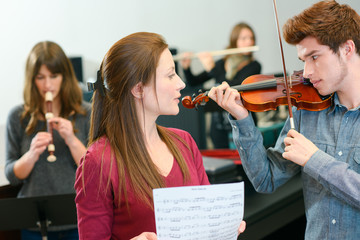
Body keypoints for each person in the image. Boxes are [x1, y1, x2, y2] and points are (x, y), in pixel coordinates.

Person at [208, 1, 360, 239]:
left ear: (347, 49)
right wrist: (242, 118)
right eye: (303, 61)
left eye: (314, 57)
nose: (307, 72)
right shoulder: (306, 110)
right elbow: (265, 179)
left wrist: (314, 160)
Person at [74, 32, 246, 240]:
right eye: (171, 74)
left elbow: (203, 224)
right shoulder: (97, 161)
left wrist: (221, 228)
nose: (181, 84)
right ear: (138, 89)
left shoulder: (184, 142)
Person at [5, 41, 91, 239]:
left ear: (65, 77)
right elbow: (12, 175)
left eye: (54, 76)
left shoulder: (86, 112)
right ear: (31, 79)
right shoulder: (18, 116)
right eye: (40, 77)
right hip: (34, 223)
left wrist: (72, 140)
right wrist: (31, 154)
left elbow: (95, 170)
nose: (48, 85)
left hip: (79, 219)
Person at [180, 22, 261, 148]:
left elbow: (234, 86)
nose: (249, 42)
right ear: (235, 41)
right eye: (244, 38)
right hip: (219, 125)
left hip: (242, 122)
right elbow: (194, 82)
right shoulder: (222, 63)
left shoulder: (254, 66)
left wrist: (212, 68)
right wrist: (186, 68)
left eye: (251, 38)